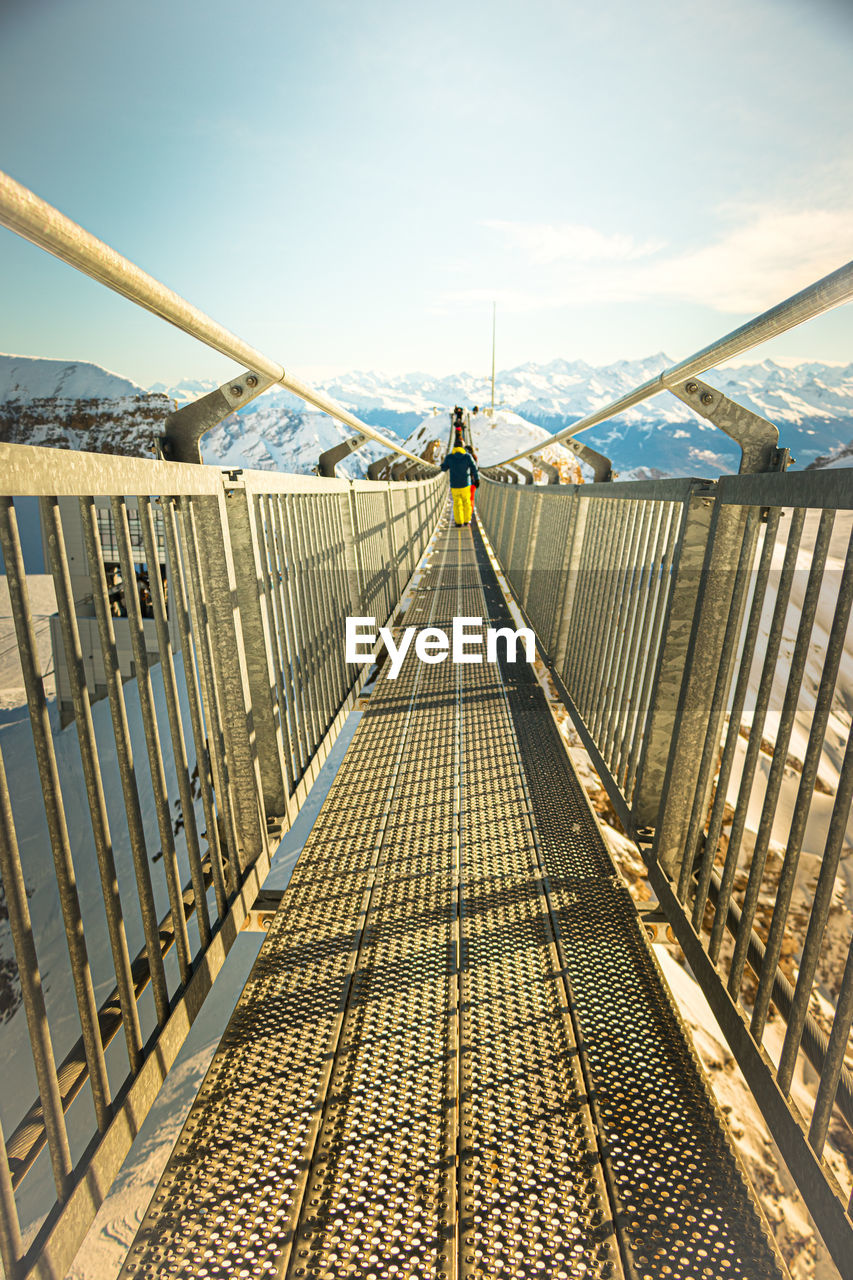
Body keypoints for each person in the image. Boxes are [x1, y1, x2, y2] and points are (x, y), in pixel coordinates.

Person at [441, 428, 479, 526]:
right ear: (462, 446)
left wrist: (442, 466)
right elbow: (474, 468)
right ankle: (467, 520)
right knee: (466, 502)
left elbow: (444, 468)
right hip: (466, 484)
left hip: (454, 485)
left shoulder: (449, 457)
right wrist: (477, 478)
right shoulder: (467, 456)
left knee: (457, 504)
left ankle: (459, 522)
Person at [465, 440, 479, 511]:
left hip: (465, 481)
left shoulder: (464, 458)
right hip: (473, 481)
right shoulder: (475, 459)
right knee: (471, 498)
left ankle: (466, 514)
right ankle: (469, 513)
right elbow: (476, 470)